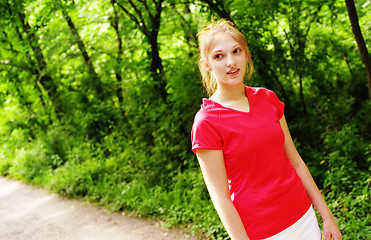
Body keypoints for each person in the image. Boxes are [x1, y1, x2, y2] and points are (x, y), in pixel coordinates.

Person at [191, 19, 342, 240]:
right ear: (206, 64)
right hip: (261, 232)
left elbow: (296, 162)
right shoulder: (207, 121)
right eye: (219, 56)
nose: (231, 62)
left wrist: (327, 217)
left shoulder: (268, 98)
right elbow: (220, 197)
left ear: (246, 54)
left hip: (304, 218)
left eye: (236, 51)